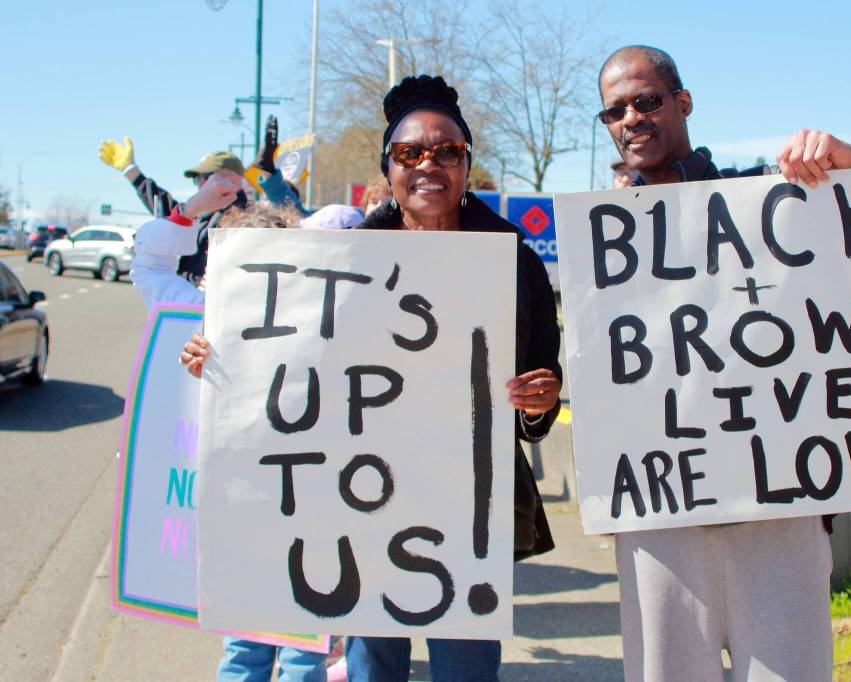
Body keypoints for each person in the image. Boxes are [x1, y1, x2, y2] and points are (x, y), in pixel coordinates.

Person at [180, 74, 563, 682]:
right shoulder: (345, 255)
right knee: (371, 666)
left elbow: (538, 391)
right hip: (362, 497)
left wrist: (540, 402)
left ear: (467, 164)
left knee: (467, 668)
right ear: (389, 167)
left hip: (467, 504)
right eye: (410, 153)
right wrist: (224, 361)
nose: (429, 164)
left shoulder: (513, 258)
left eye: (447, 151)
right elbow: (295, 368)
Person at [597, 45, 851, 682]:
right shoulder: (605, 238)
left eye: (646, 102)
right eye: (614, 111)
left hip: (776, 511)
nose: (632, 120)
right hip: (663, 516)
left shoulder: (769, 195)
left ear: (683, 103)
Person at [129, 178, 331, 682]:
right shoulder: (201, 317)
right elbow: (150, 266)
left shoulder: (328, 319)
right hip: (246, 512)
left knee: (302, 652)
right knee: (247, 649)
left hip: (314, 513)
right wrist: (194, 208)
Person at [99, 138, 248, 284]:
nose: (200, 183)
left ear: (233, 179)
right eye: (197, 179)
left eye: (204, 177)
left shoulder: (242, 219)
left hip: (207, 303)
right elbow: (171, 213)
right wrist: (132, 173)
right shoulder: (208, 214)